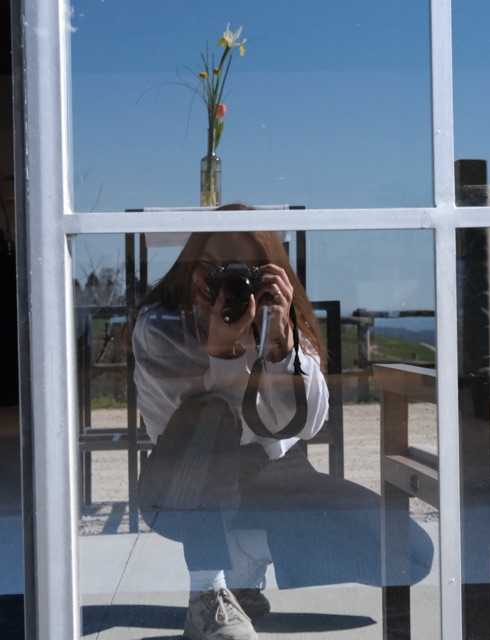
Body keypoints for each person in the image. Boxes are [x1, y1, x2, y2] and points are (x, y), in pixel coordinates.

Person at [132, 204, 433, 640]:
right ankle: (207, 591)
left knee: (411, 554)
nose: (231, 285)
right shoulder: (162, 327)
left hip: (275, 475)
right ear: (191, 266)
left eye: (246, 272)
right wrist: (223, 354)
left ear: (272, 273)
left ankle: (244, 550)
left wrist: (280, 348)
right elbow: (180, 426)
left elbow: (308, 424)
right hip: (185, 483)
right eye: (215, 268)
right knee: (209, 418)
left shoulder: (279, 317)